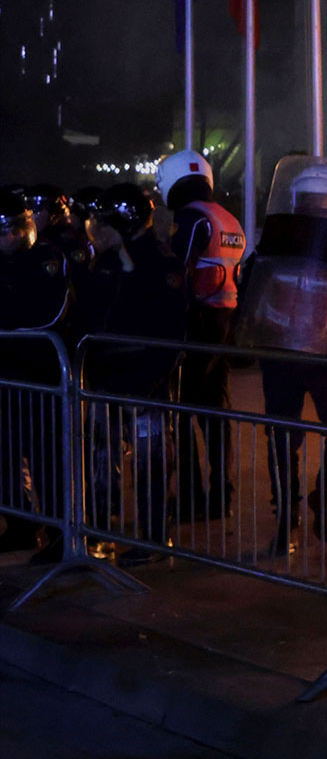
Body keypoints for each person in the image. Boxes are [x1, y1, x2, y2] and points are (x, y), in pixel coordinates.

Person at [236, 157, 327, 556]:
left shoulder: (293, 238)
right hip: (309, 351)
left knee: (299, 432)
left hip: (300, 350)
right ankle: (304, 511)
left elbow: (252, 280)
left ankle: (304, 510)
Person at [79, 185, 189, 565]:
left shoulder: (160, 262)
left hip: (145, 380)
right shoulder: (107, 261)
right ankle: (100, 533)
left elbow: (172, 327)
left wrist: (155, 376)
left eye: (106, 223)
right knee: (100, 459)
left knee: (151, 462)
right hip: (107, 377)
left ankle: (153, 540)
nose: (98, 230)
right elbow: (93, 314)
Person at [156, 150, 245, 522]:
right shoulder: (228, 218)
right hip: (224, 323)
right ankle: (222, 496)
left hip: (195, 322)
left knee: (181, 411)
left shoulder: (190, 218)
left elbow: (175, 272)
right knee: (215, 412)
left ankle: (190, 497)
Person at [0, 188, 74, 560]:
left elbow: (48, 313)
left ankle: (62, 535)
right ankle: (21, 526)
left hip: (40, 374)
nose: (13, 237)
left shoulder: (48, 258)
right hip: (7, 376)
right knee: (6, 455)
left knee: (47, 458)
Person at [23, 185, 92, 273]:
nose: (32, 215)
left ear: (53, 212)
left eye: (38, 208)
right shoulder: (26, 238)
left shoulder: (68, 239)